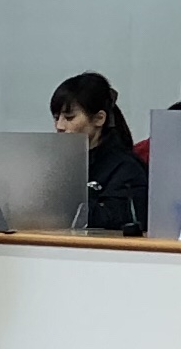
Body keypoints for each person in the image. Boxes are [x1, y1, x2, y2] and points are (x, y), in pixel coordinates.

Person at [51, 70, 147, 236]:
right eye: (56, 117)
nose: (59, 126)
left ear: (99, 118)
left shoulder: (126, 168)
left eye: (69, 117)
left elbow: (116, 221)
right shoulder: (58, 164)